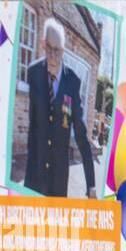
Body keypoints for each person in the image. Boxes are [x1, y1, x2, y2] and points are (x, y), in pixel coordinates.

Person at [23, 17, 96, 198]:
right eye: (49, 49)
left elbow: (80, 133)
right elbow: (34, 125)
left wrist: (91, 185)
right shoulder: (33, 73)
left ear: (63, 51)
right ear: (43, 45)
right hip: (34, 176)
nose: (53, 56)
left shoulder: (72, 81)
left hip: (58, 179)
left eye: (57, 51)